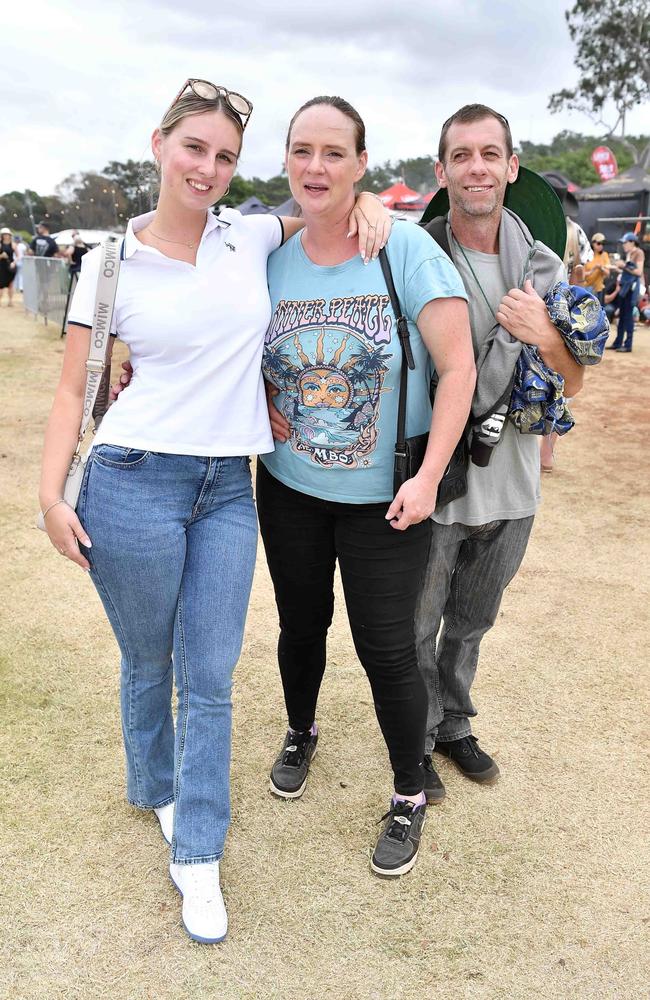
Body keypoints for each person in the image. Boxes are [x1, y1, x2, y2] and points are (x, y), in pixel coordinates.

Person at [38, 80, 389, 944]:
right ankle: (151, 785)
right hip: (131, 479)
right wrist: (50, 495)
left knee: (212, 677)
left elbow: (322, 200)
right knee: (146, 657)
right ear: (160, 145)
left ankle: (198, 851)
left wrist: (370, 197)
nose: (209, 168)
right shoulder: (107, 263)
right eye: (195, 148)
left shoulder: (250, 235)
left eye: (225, 156)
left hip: (230, 488)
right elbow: (70, 390)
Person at [262, 96, 475, 878]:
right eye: (302, 151)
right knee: (300, 626)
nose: (316, 167)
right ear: (287, 160)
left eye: (333, 153)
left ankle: (408, 792)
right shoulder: (270, 252)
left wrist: (426, 477)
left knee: (387, 650)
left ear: (360, 165)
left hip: (388, 496)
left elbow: (459, 368)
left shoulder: (406, 248)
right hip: (288, 488)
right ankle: (300, 728)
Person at [414, 105, 592, 800]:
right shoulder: (418, 254)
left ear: (512, 168)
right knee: (418, 622)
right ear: (443, 171)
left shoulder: (544, 268)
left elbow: (573, 380)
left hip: (514, 482)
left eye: (490, 154)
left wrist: (544, 334)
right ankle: (420, 733)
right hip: (436, 475)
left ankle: (455, 723)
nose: (477, 167)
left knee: (471, 623)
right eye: (462, 156)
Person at [606, 232, 645, 352]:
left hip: (631, 289)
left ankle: (628, 345)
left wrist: (623, 266)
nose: (623, 245)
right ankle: (618, 343)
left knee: (628, 317)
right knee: (622, 316)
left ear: (633, 242)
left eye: (625, 242)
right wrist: (616, 267)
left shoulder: (639, 252)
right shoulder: (630, 253)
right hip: (625, 289)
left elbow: (638, 272)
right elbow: (627, 271)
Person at [583, 233, 610, 304]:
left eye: (603, 244)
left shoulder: (604, 255)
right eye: (599, 243)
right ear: (593, 243)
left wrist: (601, 268)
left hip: (599, 289)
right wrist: (592, 270)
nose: (601, 246)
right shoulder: (586, 255)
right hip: (587, 289)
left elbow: (608, 274)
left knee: (599, 312)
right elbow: (581, 274)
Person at [0, 228, 17, 306]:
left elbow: (18, 256)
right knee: (1, 285)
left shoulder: (13, 244)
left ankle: (10, 301)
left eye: (7, 235)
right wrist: (1, 256)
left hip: (10, 266)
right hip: (1, 266)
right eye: (4, 235)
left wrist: (14, 262)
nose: (6, 236)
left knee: (11, 284)